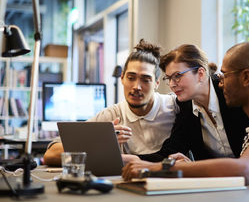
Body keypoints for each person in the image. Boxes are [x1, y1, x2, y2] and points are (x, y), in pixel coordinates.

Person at [122, 41, 249, 199]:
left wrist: (163, 167)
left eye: (225, 75)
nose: (220, 81)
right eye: (168, 79)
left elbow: (245, 169)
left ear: (246, 77)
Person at [43, 39, 179, 166]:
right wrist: (101, 141)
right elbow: (51, 154)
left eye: (145, 79)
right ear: (122, 78)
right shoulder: (112, 115)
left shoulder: (175, 106)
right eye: (131, 78)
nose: (137, 86)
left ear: (156, 83)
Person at [138, 44, 249, 162]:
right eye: (169, 78)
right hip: (215, 179)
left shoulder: (229, 92)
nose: (172, 84)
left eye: (177, 76)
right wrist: (129, 159)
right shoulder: (185, 106)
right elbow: (170, 152)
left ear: (200, 73)